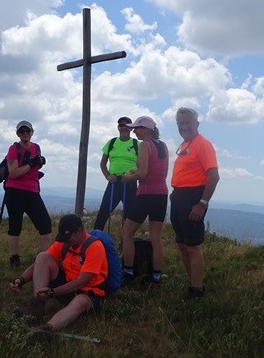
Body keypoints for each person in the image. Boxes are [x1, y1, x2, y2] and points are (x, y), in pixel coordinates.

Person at [10, 214, 108, 342]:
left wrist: (52, 292)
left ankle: (46, 330)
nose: (66, 241)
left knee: (81, 301)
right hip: (68, 286)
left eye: (68, 238)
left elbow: (80, 282)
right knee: (43, 256)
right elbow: (39, 263)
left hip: (89, 293)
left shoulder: (95, 247)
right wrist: (21, 280)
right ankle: (36, 311)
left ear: (79, 231)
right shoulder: (64, 243)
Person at [170, 108, 219, 299]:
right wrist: (175, 193)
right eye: (180, 123)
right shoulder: (185, 145)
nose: (183, 127)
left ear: (196, 124)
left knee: (193, 245)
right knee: (182, 243)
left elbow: (213, 176)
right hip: (180, 197)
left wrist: (202, 204)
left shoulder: (203, 145)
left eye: (187, 122)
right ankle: (193, 283)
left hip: (194, 198)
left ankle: (197, 290)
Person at [119, 116, 169, 285]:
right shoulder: (163, 146)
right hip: (161, 194)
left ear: (146, 130)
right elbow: (162, 173)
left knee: (127, 233)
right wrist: (137, 171)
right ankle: (156, 276)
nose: (134, 131)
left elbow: (143, 174)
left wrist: (128, 177)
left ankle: (129, 272)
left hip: (146, 194)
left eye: (137, 128)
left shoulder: (144, 145)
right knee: (155, 237)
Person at [4, 120, 52, 270]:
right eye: (21, 131)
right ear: (17, 133)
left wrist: (40, 162)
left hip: (32, 191)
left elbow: (35, 166)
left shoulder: (36, 148)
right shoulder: (14, 149)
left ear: (32, 132)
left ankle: (42, 259)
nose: (25, 134)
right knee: (15, 225)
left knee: (45, 225)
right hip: (14, 191)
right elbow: (13, 173)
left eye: (27, 131)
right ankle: (14, 258)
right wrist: (31, 163)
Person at [94, 116, 139, 230]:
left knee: (129, 215)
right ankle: (95, 239)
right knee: (103, 211)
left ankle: (126, 242)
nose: (124, 127)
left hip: (130, 183)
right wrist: (107, 175)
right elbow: (103, 163)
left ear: (131, 128)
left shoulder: (136, 144)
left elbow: (143, 166)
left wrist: (132, 175)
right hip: (114, 182)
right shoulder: (111, 142)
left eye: (127, 125)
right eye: (121, 125)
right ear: (118, 128)